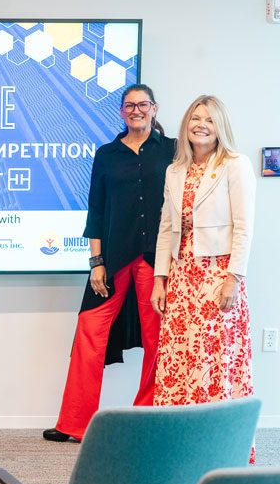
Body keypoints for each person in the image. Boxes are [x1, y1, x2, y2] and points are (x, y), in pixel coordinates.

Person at [43, 84, 175, 442]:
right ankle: (74, 424)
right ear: (121, 111)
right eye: (129, 105)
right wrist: (96, 261)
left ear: (154, 108)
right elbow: (96, 210)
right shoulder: (106, 154)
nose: (136, 110)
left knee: (158, 339)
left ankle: (148, 420)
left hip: (156, 260)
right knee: (89, 330)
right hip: (113, 258)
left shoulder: (175, 150)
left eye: (143, 104)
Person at [151, 96, 256, 461]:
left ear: (220, 126)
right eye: (195, 118)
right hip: (181, 279)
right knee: (179, 361)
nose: (201, 125)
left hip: (217, 276)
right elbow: (166, 227)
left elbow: (244, 228)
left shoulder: (235, 165)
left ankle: (219, 448)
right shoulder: (175, 170)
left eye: (209, 120)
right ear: (186, 124)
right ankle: (177, 446)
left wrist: (233, 279)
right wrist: (159, 279)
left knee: (215, 361)